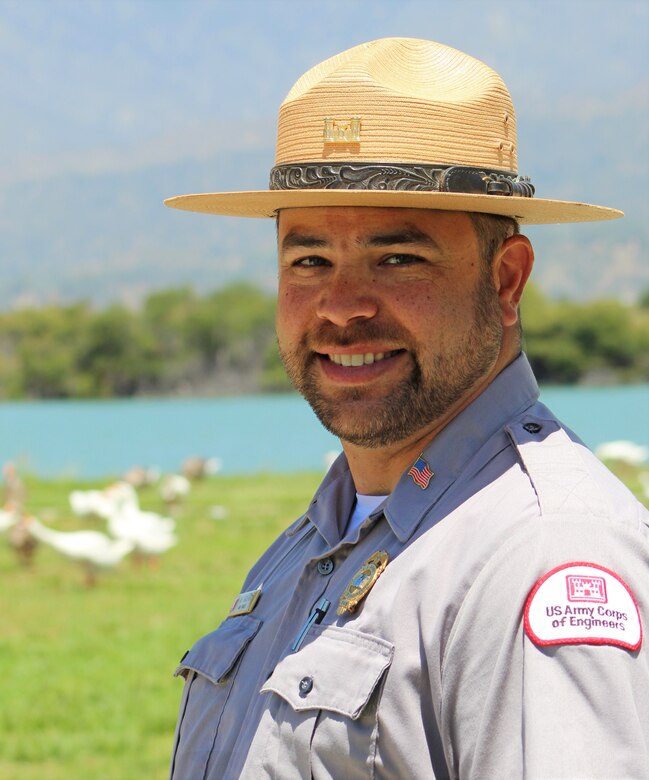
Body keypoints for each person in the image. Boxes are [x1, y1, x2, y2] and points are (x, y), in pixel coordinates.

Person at [164, 38, 649, 779]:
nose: (343, 307)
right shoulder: (322, 535)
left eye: (398, 259)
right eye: (309, 261)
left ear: (507, 280)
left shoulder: (544, 552)